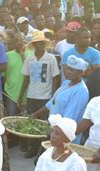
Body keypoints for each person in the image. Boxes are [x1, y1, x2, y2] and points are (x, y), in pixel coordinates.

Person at [18, 30, 60, 158]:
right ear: (34, 45)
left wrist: (53, 95)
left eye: (42, 43)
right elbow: (26, 78)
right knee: (32, 123)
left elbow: (55, 77)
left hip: (45, 96)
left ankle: (42, 150)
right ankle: (32, 148)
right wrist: (21, 95)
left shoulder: (51, 58)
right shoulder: (29, 59)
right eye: (37, 43)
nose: (40, 45)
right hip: (32, 96)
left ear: (44, 44)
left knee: (44, 124)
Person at [37, 55, 89, 144]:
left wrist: (53, 132)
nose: (68, 72)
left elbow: (69, 117)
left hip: (64, 135)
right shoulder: (66, 83)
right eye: (67, 68)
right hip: (55, 131)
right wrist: (36, 114)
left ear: (81, 73)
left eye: (72, 70)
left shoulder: (81, 91)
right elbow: (52, 102)